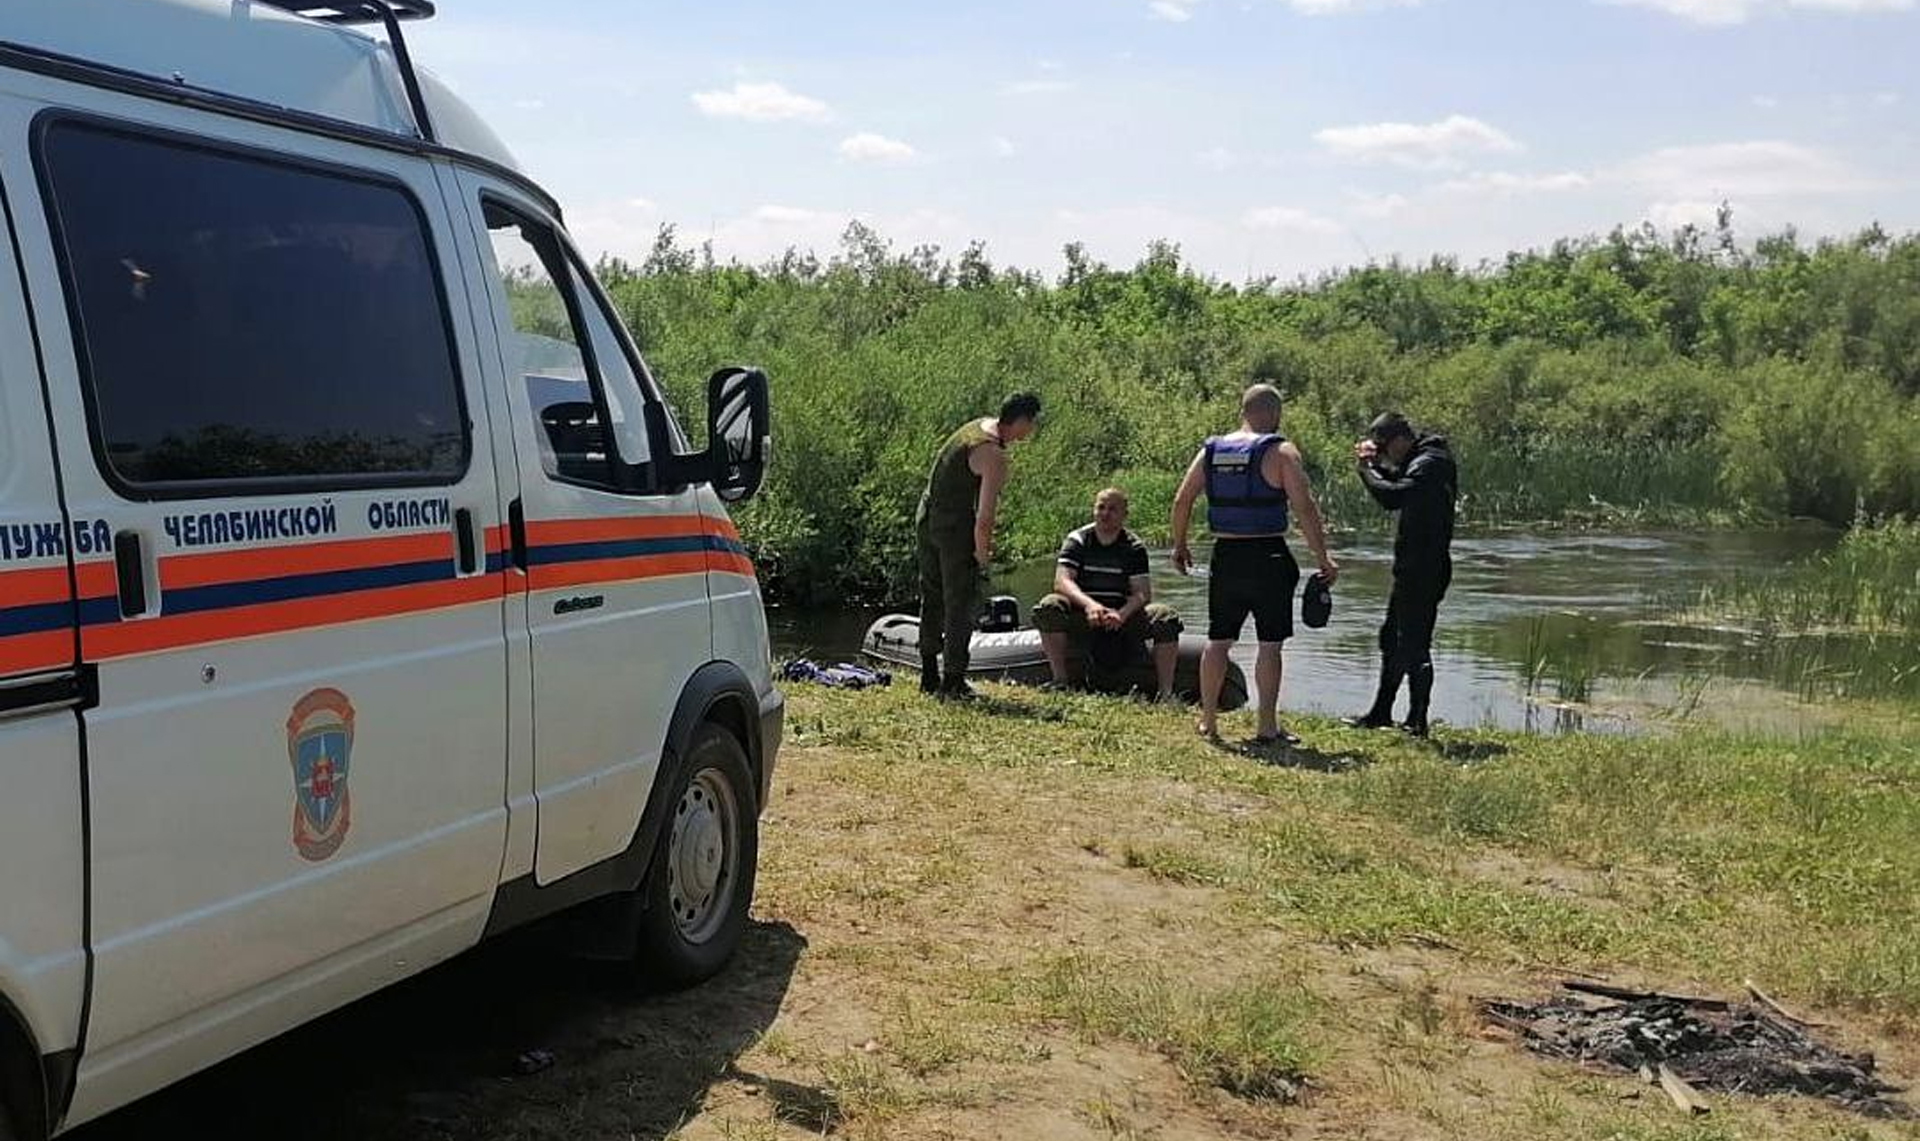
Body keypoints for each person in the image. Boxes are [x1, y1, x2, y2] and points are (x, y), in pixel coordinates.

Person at [1170, 383, 1339, 743]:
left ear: (1243, 411)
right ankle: (1266, 725)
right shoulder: (1281, 451)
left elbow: (1182, 500)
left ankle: (1209, 721)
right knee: (1270, 644)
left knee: (1218, 640)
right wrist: (1322, 557)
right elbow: (1304, 507)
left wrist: (1180, 545)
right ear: (1274, 413)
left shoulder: (1211, 450)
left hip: (1226, 556)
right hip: (1269, 557)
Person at [914, 393, 1042, 698]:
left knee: (931, 594)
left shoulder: (976, 427)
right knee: (960, 601)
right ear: (1021, 420)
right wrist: (982, 558)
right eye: (1032, 423)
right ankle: (953, 681)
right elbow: (984, 518)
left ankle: (929, 674)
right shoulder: (994, 456)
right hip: (954, 529)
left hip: (927, 516)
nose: (1031, 431)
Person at [1347, 411, 1458, 736]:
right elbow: (1397, 480)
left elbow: (1393, 496)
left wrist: (1367, 468)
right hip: (1412, 565)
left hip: (1426, 567)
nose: (1384, 455)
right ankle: (1381, 712)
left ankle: (1417, 720)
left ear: (1399, 440)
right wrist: (1376, 466)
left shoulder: (1430, 462)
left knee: (1414, 643)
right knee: (1391, 639)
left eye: (1385, 449)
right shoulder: (1421, 458)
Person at [1031, 487, 1184, 698]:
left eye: (1112, 509)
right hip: (1082, 614)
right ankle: (1060, 680)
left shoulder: (1134, 547)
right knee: (1049, 606)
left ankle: (1166, 692)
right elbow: (1062, 581)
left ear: (1124, 515)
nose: (1105, 513)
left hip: (1120, 616)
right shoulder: (1078, 540)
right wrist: (1090, 606)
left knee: (1166, 616)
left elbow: (1142, 593)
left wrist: (1122, 614)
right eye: (1100, 507)